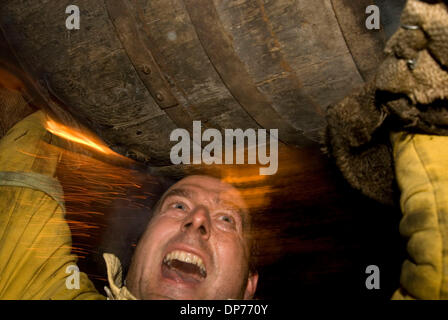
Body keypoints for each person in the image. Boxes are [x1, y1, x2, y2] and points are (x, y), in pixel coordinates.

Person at [0, 110, 257, 300]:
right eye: (178, 206)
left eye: (226, 219)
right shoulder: (41, 290)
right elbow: (25, 162)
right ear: (138, 251)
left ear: (248, 288)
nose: (198, 218)